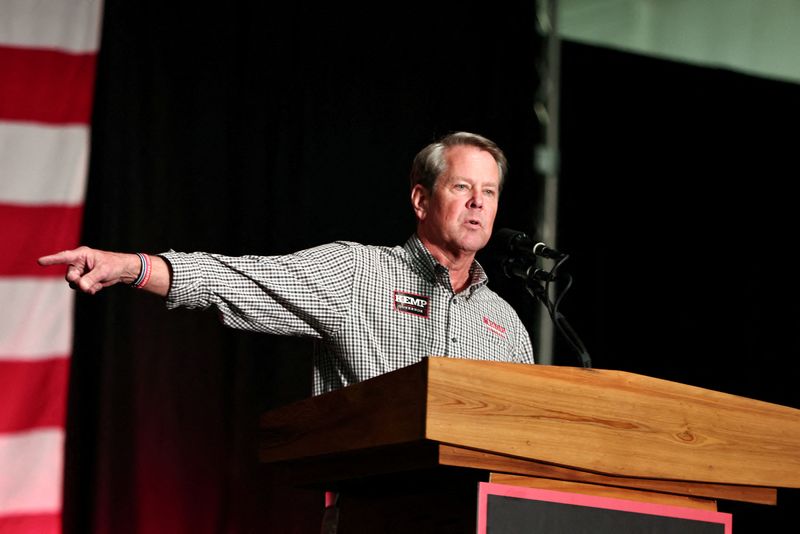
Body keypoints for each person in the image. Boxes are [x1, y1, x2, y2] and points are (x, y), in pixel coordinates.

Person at [39, 131, 535, 395]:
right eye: (462, 187)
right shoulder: (359, 274)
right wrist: (130, 266)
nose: (478, 203)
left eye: (489, 192)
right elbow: (239, 281)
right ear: (421, 200)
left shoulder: (507, 326)